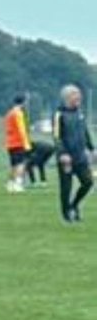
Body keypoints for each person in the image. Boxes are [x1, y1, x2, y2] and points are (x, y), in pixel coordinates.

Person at [55, 83, 92, 222]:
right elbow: (57, 136)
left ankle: (74, 205)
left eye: (79, 95)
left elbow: (85, 132)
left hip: (80, 156)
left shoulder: (80, 113)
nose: (79, 97)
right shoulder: (59, 114)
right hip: (66, 158)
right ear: (67, 97)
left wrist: (92, 148)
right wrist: (63, 153)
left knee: (88, 182)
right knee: (66, 187)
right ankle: (66, 215)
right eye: (76, 95)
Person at [4, 93, 31, 192]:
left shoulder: (9, 113)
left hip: (10, 142)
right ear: (23, 102)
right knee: (21, 164)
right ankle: (18, 184)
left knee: (13, 165)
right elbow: (21, 129)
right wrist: (26, 144)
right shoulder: (18, 113)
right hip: (18, 142)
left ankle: (10, 183)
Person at [27, 99, 58, 185]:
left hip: (45, 149)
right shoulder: (32, 144)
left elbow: (29, 154)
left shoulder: (27, 146)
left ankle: (33, 182)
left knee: (29, 165)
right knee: (40, 164)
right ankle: (43, 181)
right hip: (50, 149)